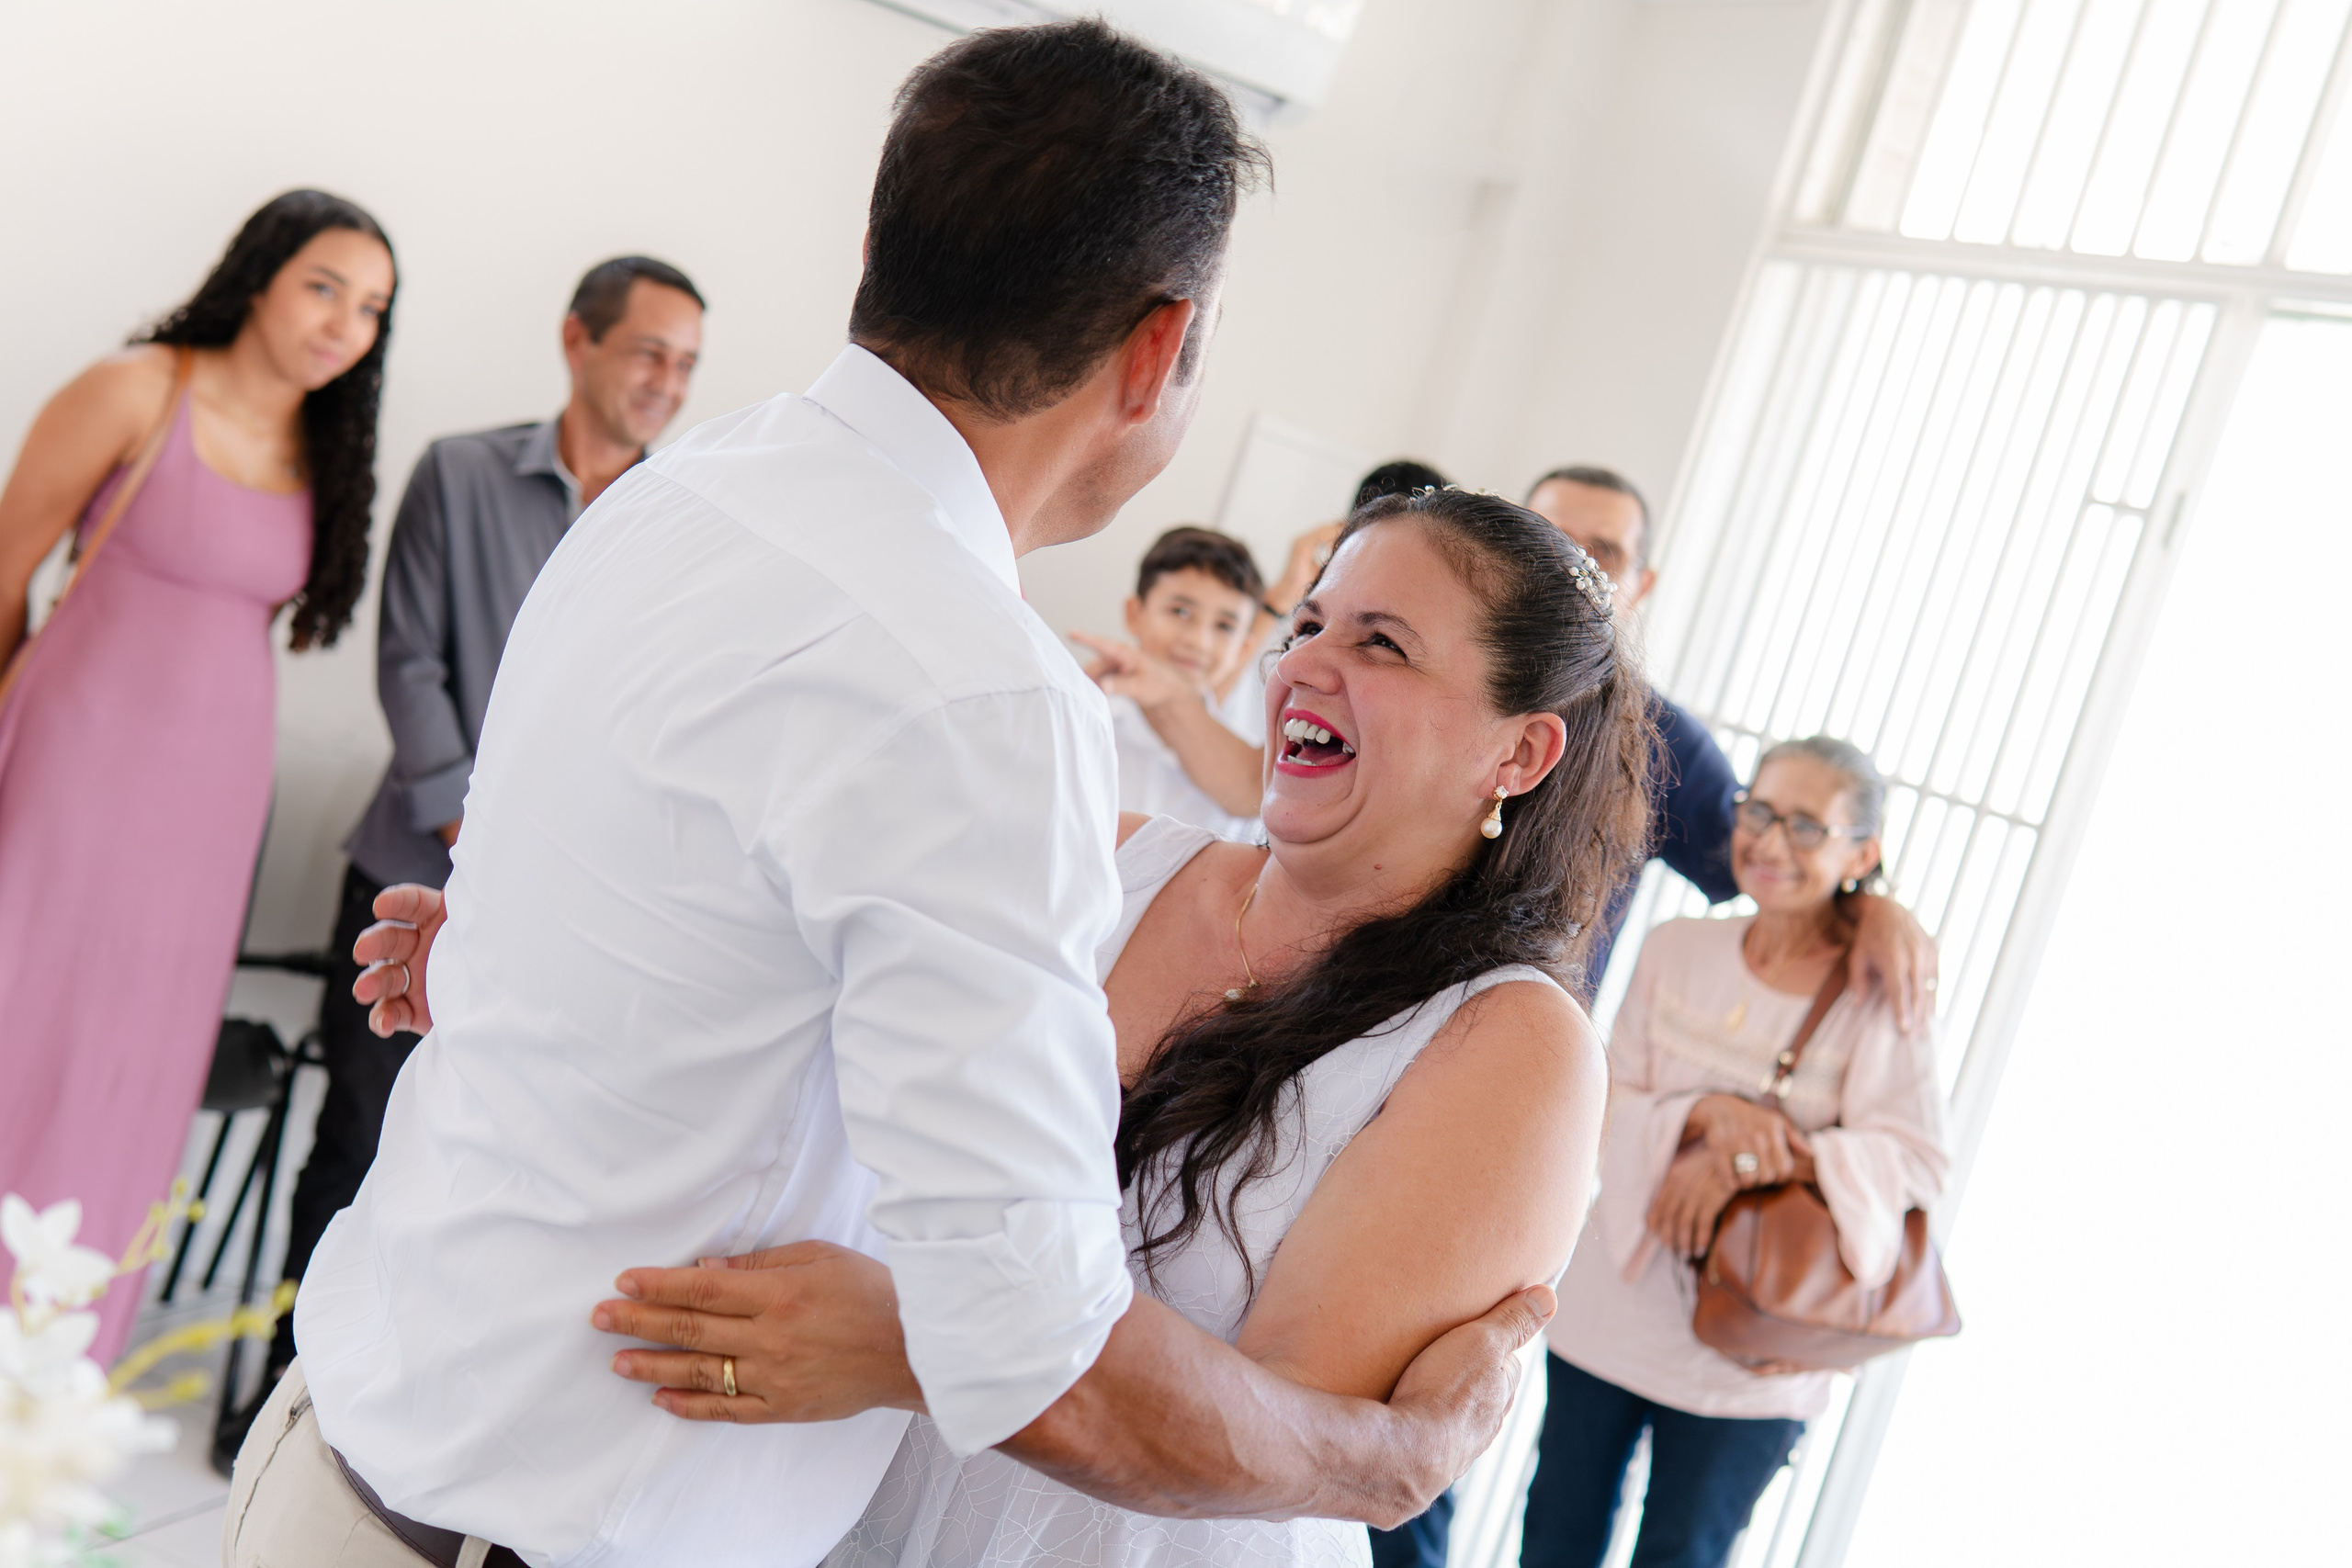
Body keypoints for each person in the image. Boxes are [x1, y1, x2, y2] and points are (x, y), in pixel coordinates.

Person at [223, 24, 1545, 1568]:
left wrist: (527, 974)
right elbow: (1034, 1346)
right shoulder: (984, 693)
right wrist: (1392, 1456)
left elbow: (700, 936)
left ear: (875, 252)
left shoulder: (672, 496)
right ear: (1155, 351)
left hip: (346, 1462)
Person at [345, 489, 1646, 1568]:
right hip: (839, 1517)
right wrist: (525, 954)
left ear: (1519, 754)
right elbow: (793, 1001)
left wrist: (914, 1339)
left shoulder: (1512, 1046)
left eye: (1383, 644)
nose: (1302, 661)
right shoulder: (1117, 857)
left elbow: (1276, 1437)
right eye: (1309, 622)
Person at [254, 255, 706, 1417]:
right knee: (352, 1133)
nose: (668, 382)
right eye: (650, 351)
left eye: (688, 365)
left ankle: (402, 1401)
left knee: (485, 1164)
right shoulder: (460, 473)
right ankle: (285, 1393)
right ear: (579, 341)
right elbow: (409, 665)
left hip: (564, 911)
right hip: (411, 872)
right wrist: (483, 830)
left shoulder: (679, 518)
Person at [0, 190, 395, 1368]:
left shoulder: (325, 453)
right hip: (72, 763)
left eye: (371, 308)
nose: (343, 324)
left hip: (210, 806)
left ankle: (42, 1363)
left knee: (130, 1052)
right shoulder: (138, 388)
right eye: (325, 286)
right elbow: (7, 563)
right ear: (262, 275)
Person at [1521, 736, 1948, 1568]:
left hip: (1758, 1353)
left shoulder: (1878, 990)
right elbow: (1606, 1105)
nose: (1770, 841)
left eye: (1805, 826)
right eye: (1758, 810)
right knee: (1553, 1539)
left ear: (1862, 853)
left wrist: (1754, 1160)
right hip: (1615, 1310)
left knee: (1687, 1551)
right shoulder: (1677, 947)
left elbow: (1915, 1159)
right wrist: (1708, 1116)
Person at [1074, 525, 1269, 840]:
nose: (1197, 641)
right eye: (1180, 611)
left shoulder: (1252, 777)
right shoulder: (1085, 720)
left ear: (1244, 649)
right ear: (1134, 614)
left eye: (1224, 626)